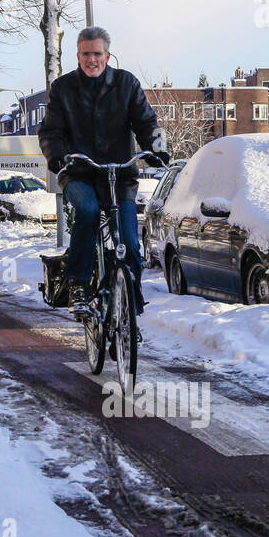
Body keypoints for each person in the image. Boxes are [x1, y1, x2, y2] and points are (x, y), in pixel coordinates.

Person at [38, 27, 168, 319]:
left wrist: (159, 150)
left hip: (119, 175)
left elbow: (147, 123)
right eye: (86, 54)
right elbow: (50, 131)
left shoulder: (126, 84)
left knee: (131, 244)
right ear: (78, 55)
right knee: (87, 211)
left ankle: (130, 302)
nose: (91, 59)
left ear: (107, 56)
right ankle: (80, 285)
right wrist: (56, 157)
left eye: (97, 54)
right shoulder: (63, 88)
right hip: (79, 173)